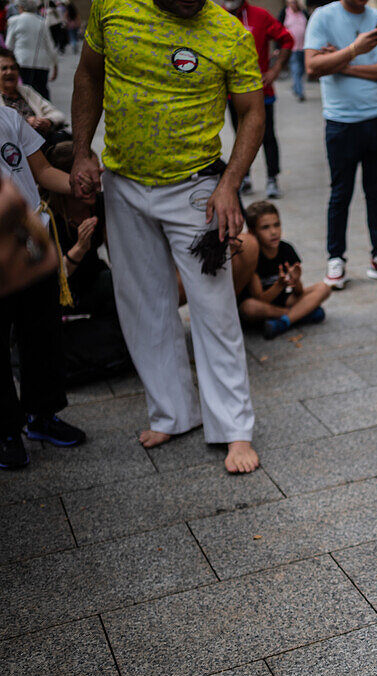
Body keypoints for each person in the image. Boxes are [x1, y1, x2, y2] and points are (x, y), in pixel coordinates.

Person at [71, 0, 265, 474]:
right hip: (123, 182)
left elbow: (252, 113)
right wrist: (80, 153)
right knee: (143, 303)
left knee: (214, 308)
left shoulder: (228, 33)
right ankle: (173, 412)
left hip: (198, 187)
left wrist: (230, 185)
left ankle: (234, 429)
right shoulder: (112, 9)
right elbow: (88, 76)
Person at [0, 104, 84, 469]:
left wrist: (82, 180)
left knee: (42, 331)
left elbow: (44, 171)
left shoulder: (7, 117)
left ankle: (42, 414)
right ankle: (5, 431)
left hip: (32, 238)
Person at [306, 0, 377, 289]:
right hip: (340, 122)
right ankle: (336, 258)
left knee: (376, 192)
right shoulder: (323, 17)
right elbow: (312, 67)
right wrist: (356, 50)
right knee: (340, 193)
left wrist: (344, 65)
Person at [44, 142, 132, 386]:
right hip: (59, 297)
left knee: (123, 286)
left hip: (92, 283)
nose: (96, 183)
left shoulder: (98, 203)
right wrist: (79, 250)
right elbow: (48, 281)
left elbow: (119, 257)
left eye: (98, 174)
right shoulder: (46, 216)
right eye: (89, 177)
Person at [222, 0, 294, 200]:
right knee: (239, 136)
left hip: (261, 92)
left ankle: (272, 178)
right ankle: (244, 177)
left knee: (267, 136)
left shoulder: (259, 15)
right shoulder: (215, 15)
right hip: (230, 94)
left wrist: (275, 70)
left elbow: (287, 39)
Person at [237, 201, 329, 340]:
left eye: (277, 225)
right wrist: (279, 285)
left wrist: (295, 280)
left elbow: (298, 292)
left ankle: (284, 321)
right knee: (248, 307)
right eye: (265, 228)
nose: (273, 232)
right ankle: (299, 315)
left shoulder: (286, 249)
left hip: (284, 300)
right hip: (264, 307)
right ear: (252, 232)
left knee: (324, 287)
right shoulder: (253, 255)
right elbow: (259, 298)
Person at [0, 47, 66, 143]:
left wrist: (47, 121)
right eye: (4, 68)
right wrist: (26, 123)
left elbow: (57, 114)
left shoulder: (26, 90)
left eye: (13, 68)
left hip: (43, 142)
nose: (10, 72)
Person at [5, 0, 57, 100]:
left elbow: (9, 45)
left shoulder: (14, 20)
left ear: (21, 7)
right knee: (41, 93)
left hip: (22, 61)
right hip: (42, 64)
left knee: (25, 93)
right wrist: (55, 64)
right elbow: (50, 45)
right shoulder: (42, 22)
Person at [280, 0, 310, 102]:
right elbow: (279, 30)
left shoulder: (303, 13)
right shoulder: (285, 13)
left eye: (294, 2)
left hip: (304, 47)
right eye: (291, 2)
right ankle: (300, 92)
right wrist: (278, 47)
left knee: (301, 70)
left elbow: (310, 27)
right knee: (296, 69)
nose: (293, 4)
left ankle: (296, 86)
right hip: (291, 48)